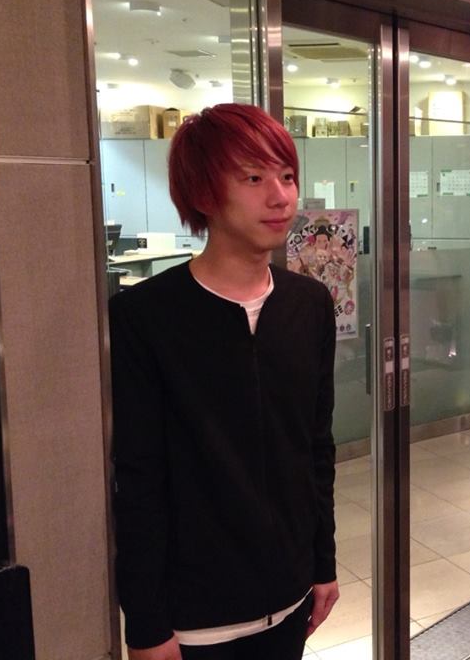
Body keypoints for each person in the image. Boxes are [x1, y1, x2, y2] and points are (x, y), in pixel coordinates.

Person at [110, 103, 340, 660]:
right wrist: (146, 624)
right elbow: (138, 478)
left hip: (290, 599)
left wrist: (322, 564)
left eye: (287, 175)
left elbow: (315, 447)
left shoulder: (309, 304)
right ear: (204, 193)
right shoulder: (145, 316)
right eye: (254, 178)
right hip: (196, 620)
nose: (281, 196)